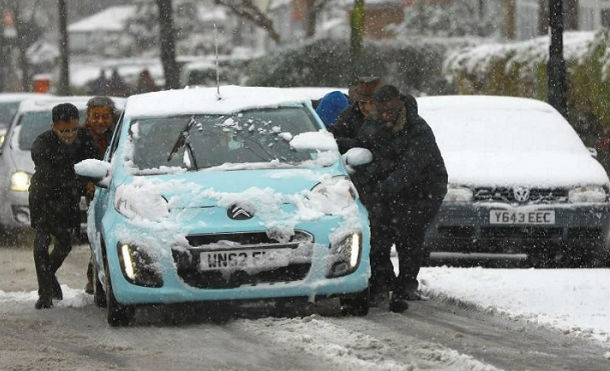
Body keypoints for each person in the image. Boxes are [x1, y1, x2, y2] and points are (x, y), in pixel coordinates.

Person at [347, 85, 447, 313]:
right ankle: (384, 282)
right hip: (389, 191)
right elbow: (364, 151)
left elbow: (409, 169)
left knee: (410, 237)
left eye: (390, 111)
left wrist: (383, 189)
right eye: (381, 111)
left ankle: (406, 284)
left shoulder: (418, 129)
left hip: (422, 190)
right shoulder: (374, 125)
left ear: (399, 105)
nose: (385, 116)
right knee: (378, 237)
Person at [29, 104, 98, 309]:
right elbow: (53, 173)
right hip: (43, 198)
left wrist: (89, 182)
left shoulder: (84, 140)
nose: (69, 135)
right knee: (41, 243)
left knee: (65, 243)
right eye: (64, 131)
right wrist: (78, 178)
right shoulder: (42, 143)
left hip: (68, 201)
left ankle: (48, 277)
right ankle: (45, 293)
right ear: (53, 127)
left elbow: (94, 163)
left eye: (73, 130)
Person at [79, 96, 120, 294]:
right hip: (93, 191)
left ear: (113, 117)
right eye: (96, 116)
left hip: (116, 189)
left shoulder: (119, 134)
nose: (100, 121)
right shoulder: (80, 137)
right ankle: (93, 276)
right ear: (88, 117)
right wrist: (87, 183)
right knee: (95, 234)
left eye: (105, 117)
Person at [328, 76, 380, 152]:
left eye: (372, 103)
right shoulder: (350, 114)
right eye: (363, 103)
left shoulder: (387, 116)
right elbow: (336, 134)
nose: (367, 107)